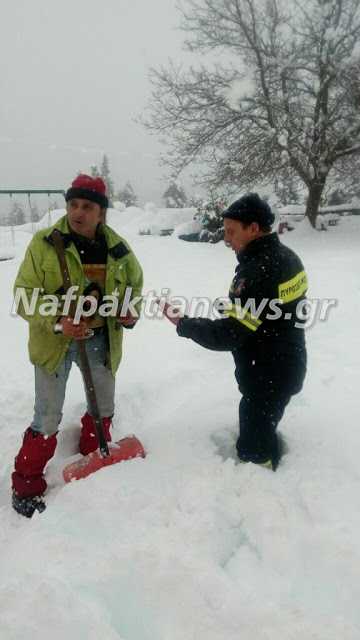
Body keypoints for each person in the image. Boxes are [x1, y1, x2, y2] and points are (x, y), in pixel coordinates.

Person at [12, 174, 143, 517]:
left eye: (87, 206)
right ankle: (26, 484)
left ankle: (93, 452)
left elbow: (134, 290)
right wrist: (59, 320)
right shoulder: (44, 244)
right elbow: (23, 296)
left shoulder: (118, 250)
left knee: (103, 405)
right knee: (48, 415)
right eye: (73, 204)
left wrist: (130, 313)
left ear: (102, 212)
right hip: (53, 343)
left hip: (100, 341)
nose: (78, 212)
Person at [158, 193, 307, 470]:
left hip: (266, 375)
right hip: (285, 366)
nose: (226, 238)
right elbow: (273, 312)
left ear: (253, 228)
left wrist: (183, 322)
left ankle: (258, 489)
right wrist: (238, 311)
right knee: (264, 424)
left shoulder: (257, 271)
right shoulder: (288, 258)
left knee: (253, 450)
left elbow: (228, 335)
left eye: (230, 231)